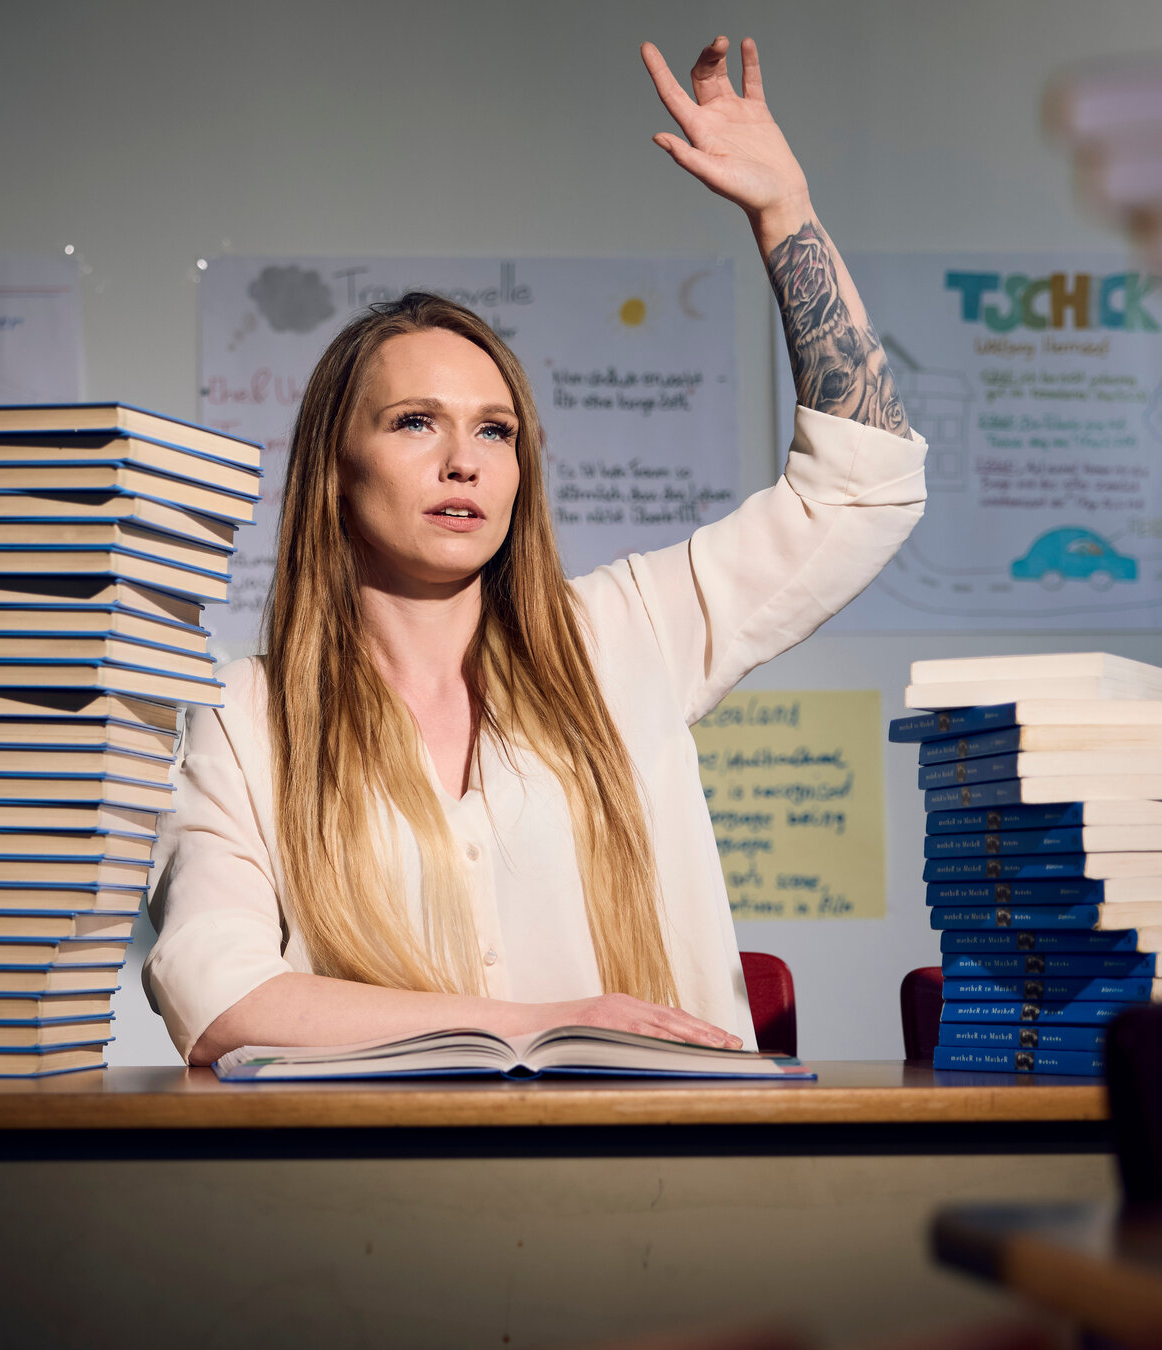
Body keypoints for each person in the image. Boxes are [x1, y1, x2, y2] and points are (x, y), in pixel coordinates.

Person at [144, 36, 926, 1066]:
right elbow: (220, 998)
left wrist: (784, 216)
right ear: (334, 469)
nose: (463, 461)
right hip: (376, 1198)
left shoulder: (623, 635)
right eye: (414, 423)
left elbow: (861, 487)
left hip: (664, 1178)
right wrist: (528, 1026)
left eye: (495, 430)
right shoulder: (246, 723)